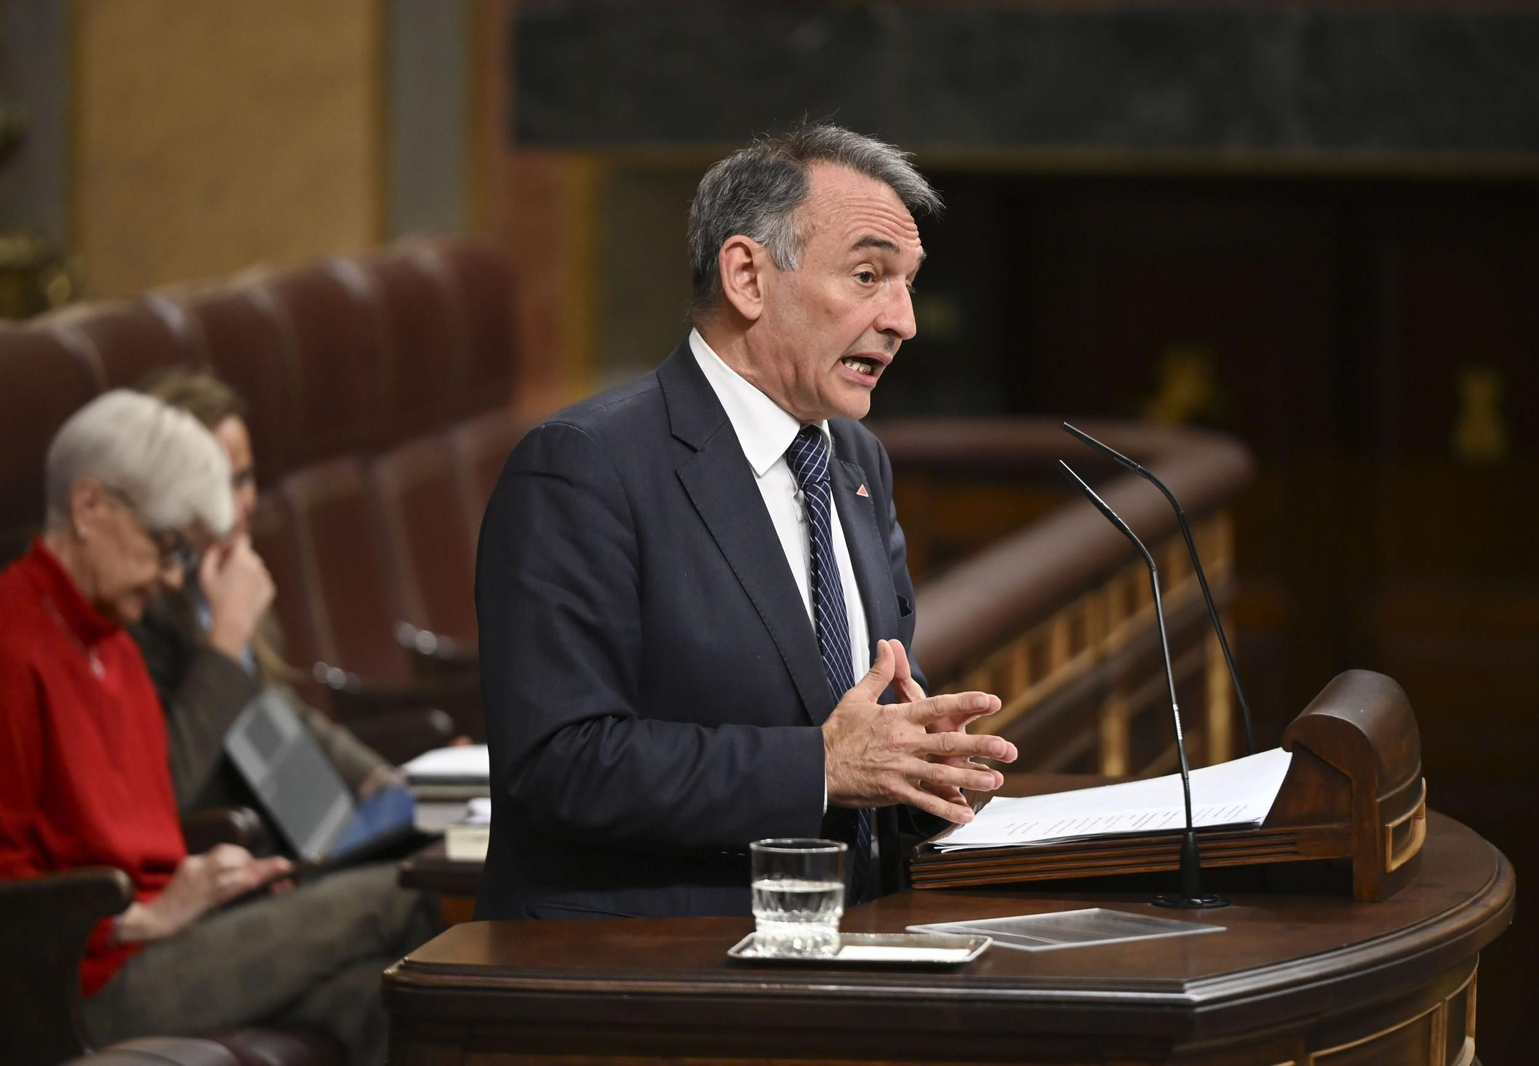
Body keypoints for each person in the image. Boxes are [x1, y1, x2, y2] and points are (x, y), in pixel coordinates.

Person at [475, 122, 1018, 923]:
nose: (902, 319)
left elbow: (855, 710)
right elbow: (557, 763)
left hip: (854, 951)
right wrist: (819, 768)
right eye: (869, 275)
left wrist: (925, 760)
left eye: (907, 283)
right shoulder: (584, 468)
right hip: (654, 978)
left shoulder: (857, 461)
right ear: (747, 277)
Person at [0, 390, 433, 1066]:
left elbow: (143, 828)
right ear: (89, 507)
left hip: (167, 939)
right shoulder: (12, 641)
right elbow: (13, 884)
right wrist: (141, 917)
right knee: (416, 894)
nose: (174, 576)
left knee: (379, 1000)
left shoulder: (113, 640)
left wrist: (215, 880)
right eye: (165, 546)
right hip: (89, 980)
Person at [131, 368, 402, 824]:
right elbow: (168, 786)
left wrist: (384, 783)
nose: (240, 506)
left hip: (300, 831)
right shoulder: (142, 610)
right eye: (217, 485)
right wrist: (228, 635)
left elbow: (276, 710)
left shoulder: (229, 572)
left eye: (244, 479)